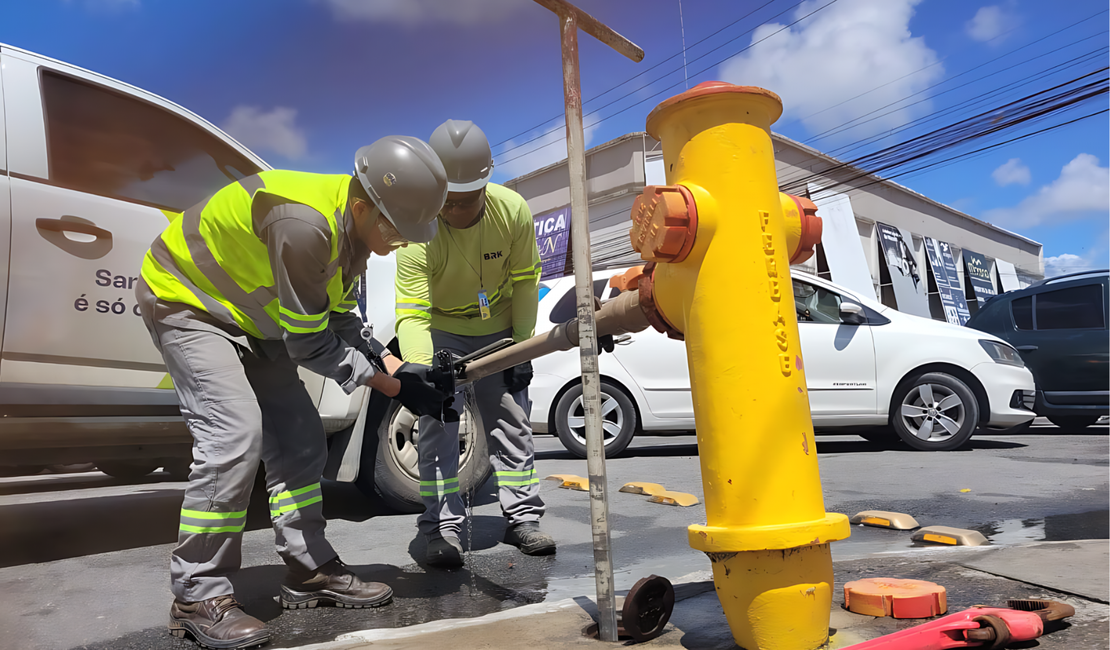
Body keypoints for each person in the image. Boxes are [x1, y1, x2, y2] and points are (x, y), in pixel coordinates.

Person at [136, 136, 452, 649]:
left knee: (302, 437)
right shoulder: (305, 225)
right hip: (187, 301)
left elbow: (342, 316)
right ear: (362, 207)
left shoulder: (353, 234)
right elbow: (309, 344)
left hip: (251, 319)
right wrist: (392, 387)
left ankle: (308, 569)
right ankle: (197, 591)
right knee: (234, 435)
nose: (405, 242)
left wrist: (398, 364)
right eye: (398, 228)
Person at [394, 119, 554, 568]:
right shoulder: (418, 226)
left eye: (466, 202)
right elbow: (411, 312)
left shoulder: (513, 211)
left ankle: (522, 518)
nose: (455, 213)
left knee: (512, 421)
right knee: (438, 427)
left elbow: (526, 283)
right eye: (447, 202)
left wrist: (523, 348)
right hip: (441, 330)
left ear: (486, 184)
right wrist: (425, 371)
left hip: (499, 328)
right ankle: (439, 528)